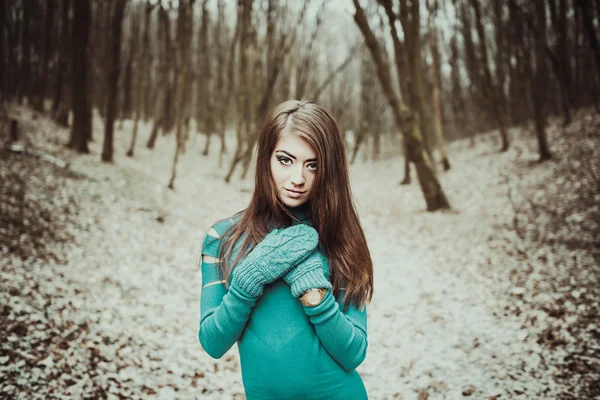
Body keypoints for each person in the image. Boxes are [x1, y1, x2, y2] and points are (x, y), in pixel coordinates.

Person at [198, 100, 374, 399]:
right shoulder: (223, 238)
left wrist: (313, 292)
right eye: (285, 160)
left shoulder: (340, 239)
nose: (298, 179)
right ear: (265, 157)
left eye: (312, 165)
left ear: (328, 170)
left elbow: (354, 352)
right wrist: (245, 284)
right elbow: (213, 343)